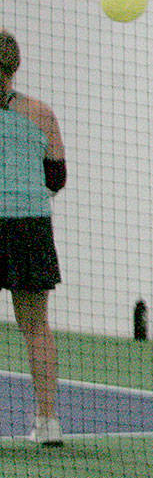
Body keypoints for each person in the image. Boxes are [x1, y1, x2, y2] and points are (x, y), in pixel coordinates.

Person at [0, 29, 66, 445]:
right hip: (30, 226)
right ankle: (48, 422)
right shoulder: (40, 113)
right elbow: (57, 177)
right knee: (36, 325)